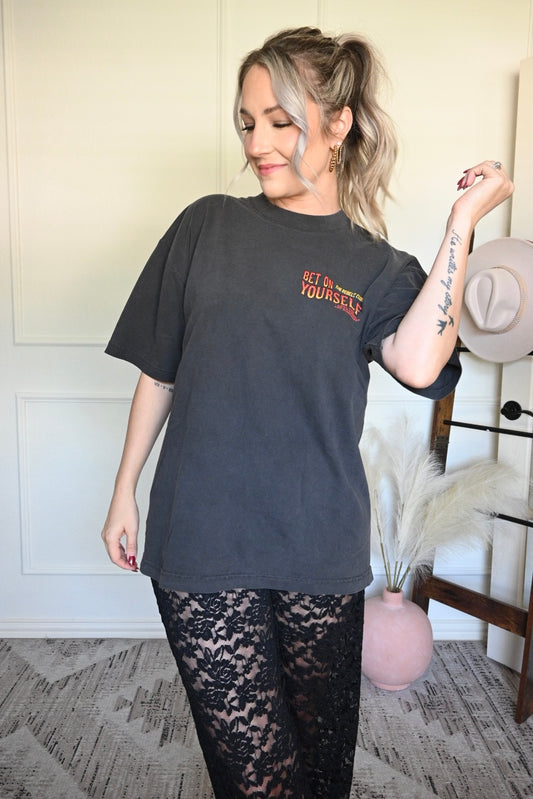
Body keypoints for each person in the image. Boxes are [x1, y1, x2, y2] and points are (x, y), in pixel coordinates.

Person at [101, 26, 513, 799]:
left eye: (281, 121)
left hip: (316, 542)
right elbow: (160, 369)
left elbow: (421, 364)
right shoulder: (205, 226)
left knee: (323, 773)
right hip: (201, 535)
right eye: (248, 121)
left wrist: (462, 222)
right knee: (260, 780)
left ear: (338, 123)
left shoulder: (375, 265)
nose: (258, 142)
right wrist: (124, 486)